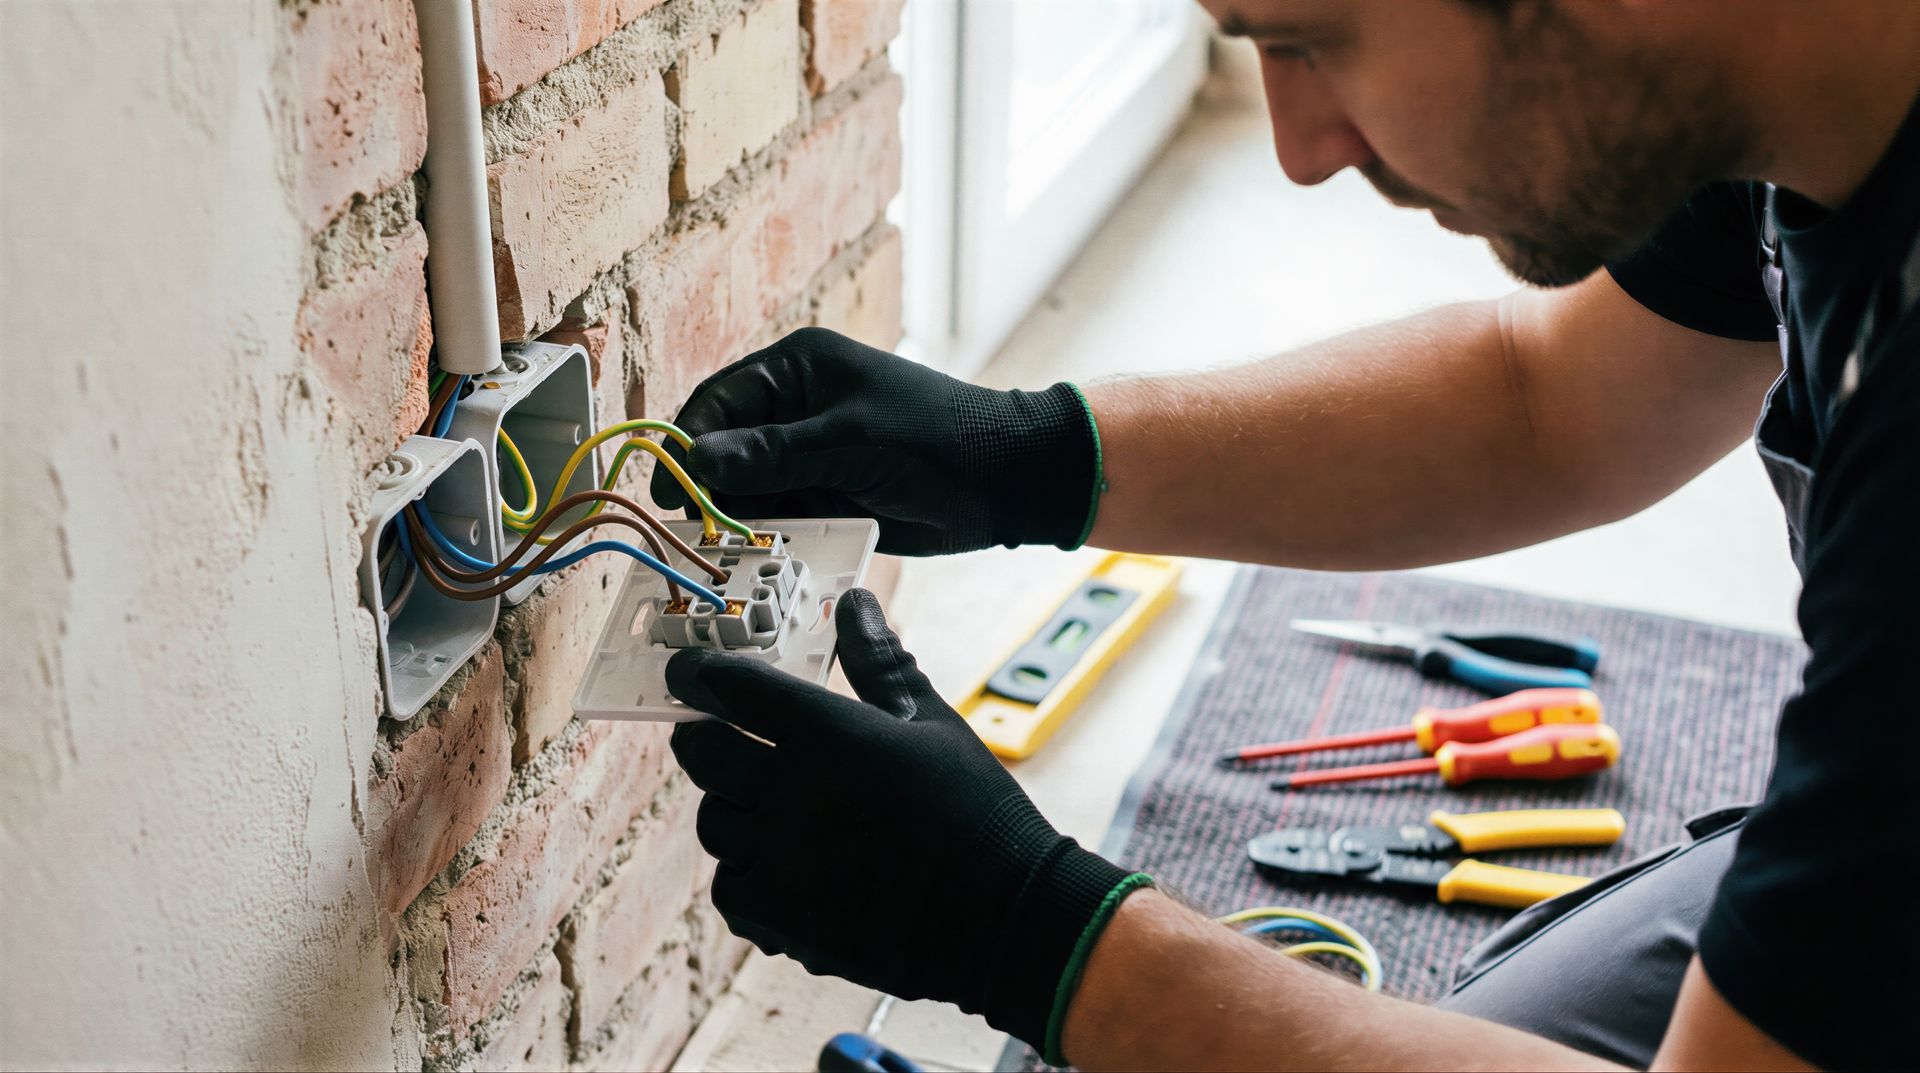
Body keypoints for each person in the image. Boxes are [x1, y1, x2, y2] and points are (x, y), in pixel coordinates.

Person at [653, 2, 1919, 1068]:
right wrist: (1027, 455)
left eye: (1315, 36)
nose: (1299, 147)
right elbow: (1553, 402)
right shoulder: (1778, 79)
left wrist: (1031, 931)